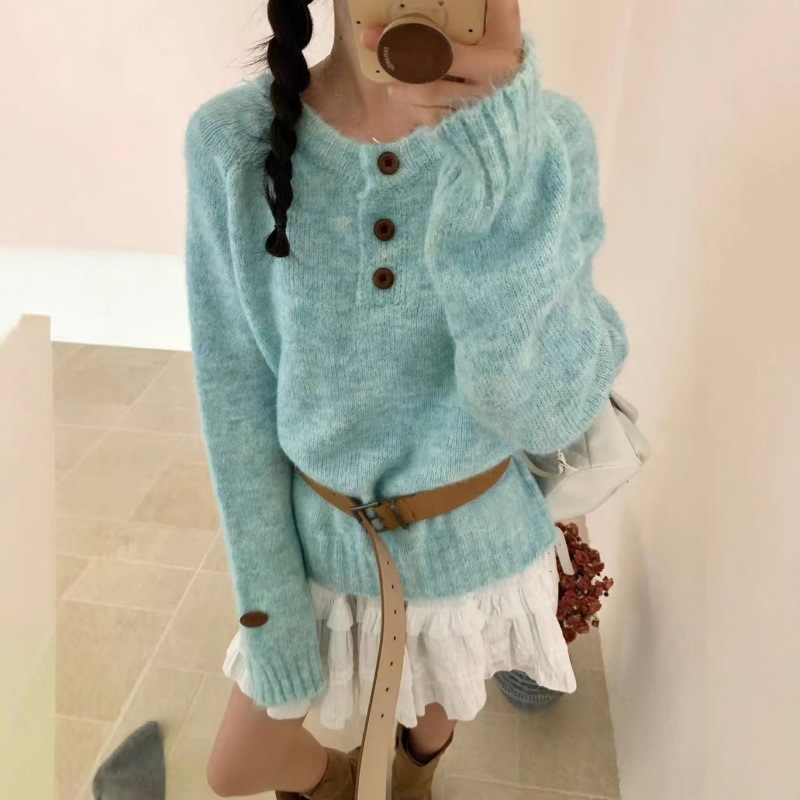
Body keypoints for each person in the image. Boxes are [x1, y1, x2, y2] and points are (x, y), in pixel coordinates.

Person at [183, 0, 630, 797]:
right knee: (237, 766)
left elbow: (544, 414)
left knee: (436, 704)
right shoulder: (233, 142)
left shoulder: (551, 140)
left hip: (481, 545)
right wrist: (268, 609)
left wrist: (502, 169)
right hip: (325, 543)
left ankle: (416, 773)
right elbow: (235, 400)